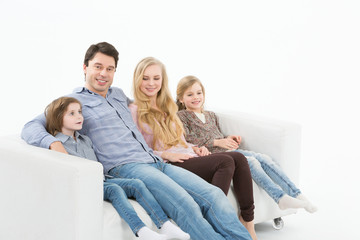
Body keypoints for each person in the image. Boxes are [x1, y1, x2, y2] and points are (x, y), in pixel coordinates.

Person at [21, 42, 252, 240]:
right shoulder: (73, 101)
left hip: (155, 161)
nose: (103, 73)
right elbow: (30, 127)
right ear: (85, 67)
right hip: (126, 167)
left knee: (213, 196)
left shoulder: (118, 95)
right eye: (98, 67)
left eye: (109, 69)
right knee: (186, 205)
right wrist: (53, 143)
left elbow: (147, 113)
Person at [129, 57, 257, 240]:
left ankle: (248, 222)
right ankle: (212, 220)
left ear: (162, 81)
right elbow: (137, 149)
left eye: (156, 78)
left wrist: (196, 148)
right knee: (225, 161)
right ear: (137, 79)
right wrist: (165, 154)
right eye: (145, 78)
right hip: (168, 164)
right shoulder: (134, 110)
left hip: (188, 156)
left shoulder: (168, 107)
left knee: (238, 157)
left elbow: (181, 140)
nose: (151, 83)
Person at [44, 96, 190, 240]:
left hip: (103, 179)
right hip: (88, 186)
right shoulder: (57, 145)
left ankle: (164, 225)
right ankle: (142, 231)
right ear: (58, 118)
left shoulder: (85, 139)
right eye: (72, 113)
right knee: (114, 189)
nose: (79, 116)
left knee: (136, 184)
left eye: (80, 112)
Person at [176, 75, 318, 214]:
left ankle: (297, 194)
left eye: (199, 93)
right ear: (181, 98)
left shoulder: (211, 115)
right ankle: (279, 197)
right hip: (214, 157)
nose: (196, 97)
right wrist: (218, 142)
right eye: (190, 94)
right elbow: (188, 140)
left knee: (264, 158)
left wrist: (228, 138)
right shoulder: (181, 116)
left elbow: (216, 135)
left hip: (226, 151)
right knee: (252, 161)